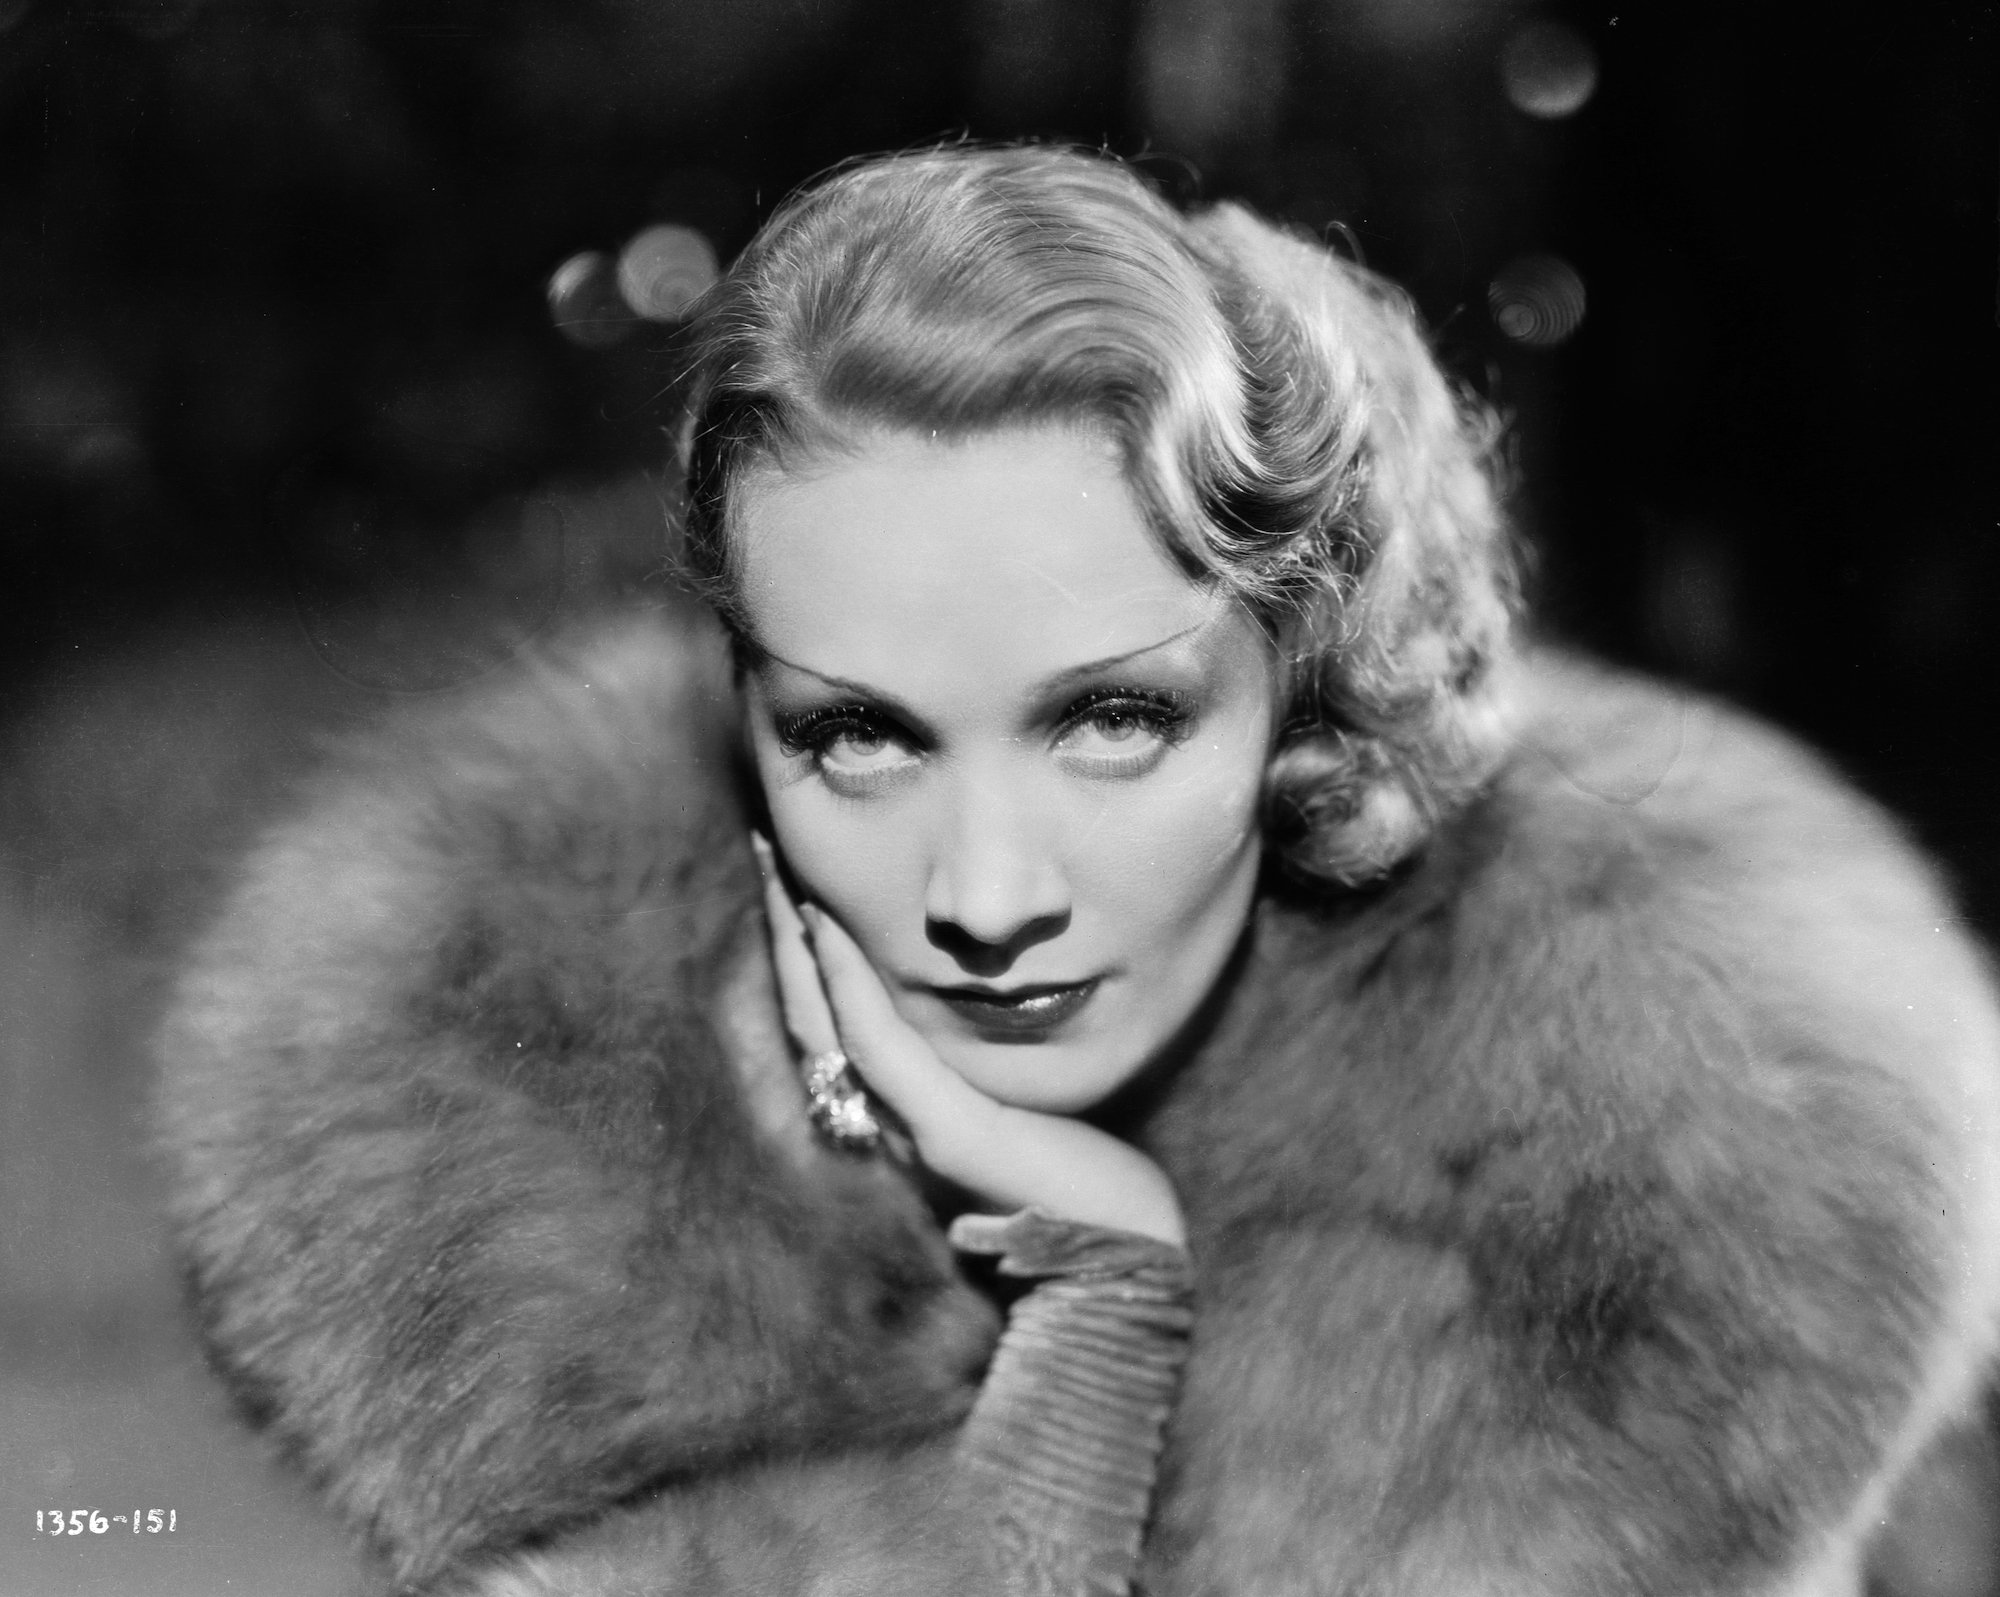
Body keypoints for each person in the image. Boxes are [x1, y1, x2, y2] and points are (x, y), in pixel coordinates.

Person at [156, 145, 2000, 1597]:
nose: (978, 888)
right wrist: (1071, 1389)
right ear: (744, 716)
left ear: (1306, 696)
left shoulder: (1638, 1243)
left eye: (1110, 719)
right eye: (855, 733)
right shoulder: (534, 1184)